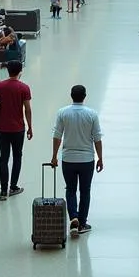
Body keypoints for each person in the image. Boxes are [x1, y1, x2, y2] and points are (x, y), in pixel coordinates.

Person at [50, 84, 104, 237]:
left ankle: (73, 216)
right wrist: (100, 157)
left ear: (71, 95)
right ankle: (82, 223)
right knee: (85, 191)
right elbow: (97, 138)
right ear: (84, 96)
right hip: (87, 159)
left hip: (68, 159)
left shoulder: (63, 113)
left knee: (71, 189)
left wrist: (54, 156)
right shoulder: (92, 114)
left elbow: (57, 136)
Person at [0, 60, 32, 201]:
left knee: (3, 157)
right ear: (20, 71)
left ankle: (3, 191)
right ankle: (13, 186)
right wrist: (30, 127)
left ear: (7, 70)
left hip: (2, 128)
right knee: (17, 156)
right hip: (18, 128)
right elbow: (27, 109)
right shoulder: (24, 88)